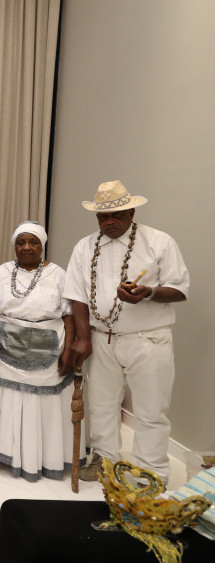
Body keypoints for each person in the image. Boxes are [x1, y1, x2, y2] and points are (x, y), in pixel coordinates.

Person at [64, 181, 189, 483]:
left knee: (150, 411)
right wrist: (82, 338)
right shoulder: (85, 246)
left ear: (131, 211)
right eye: (103, 217)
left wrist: (148, 293)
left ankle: (151, 475)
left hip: (148, 339)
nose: (109, 222)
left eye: (117, 215)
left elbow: (180, 290)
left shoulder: (159, 242)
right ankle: (106, 463)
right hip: (102, 339)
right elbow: (77, 294)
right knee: (102, 405)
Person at [0, 222, 76, 481]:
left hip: (48, 341)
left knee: (36, 398)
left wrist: (68, 351)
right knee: (2, 396)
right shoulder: (3, 271)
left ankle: (37, 456)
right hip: (3, 339)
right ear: (14, 246)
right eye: (21, 242)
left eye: (33, 242)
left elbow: (69, 315)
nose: (27, 247)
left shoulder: (58, 274)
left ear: (42, 245)